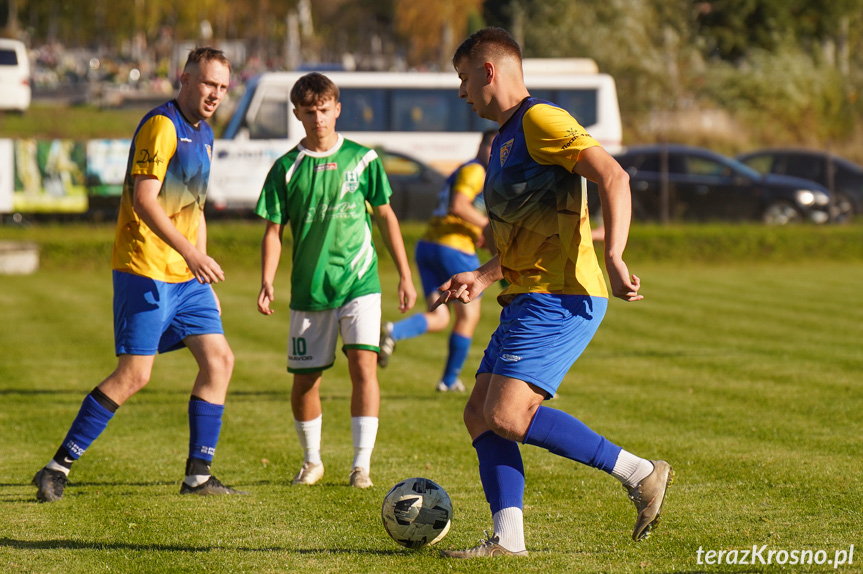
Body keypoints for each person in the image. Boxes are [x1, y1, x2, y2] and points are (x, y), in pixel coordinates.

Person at [435, 28, 673, 558]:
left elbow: (614, 177)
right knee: (479, 413)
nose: (461, 92)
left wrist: (614, 255)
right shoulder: (503, 142)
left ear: (488, 71)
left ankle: (639, 473)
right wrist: (483, 275)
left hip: (562, 295)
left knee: (507, 415)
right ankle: (507, 540)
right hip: (529, 293)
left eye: (463, 78)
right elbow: (531, 234)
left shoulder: (541, 119)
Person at [33, 47, 243, 502]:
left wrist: (200, 266)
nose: (216, 95)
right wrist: (191, 253)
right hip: (144, 267)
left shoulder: (205, 133)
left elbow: (195, 207)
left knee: (219, 361)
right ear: (184, 79)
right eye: (209, 84)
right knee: (134, 375)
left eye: (223, 88)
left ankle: (198, 476)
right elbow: (146, 200)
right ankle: (57, 466)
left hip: (186, 277)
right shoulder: (161, 125)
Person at [255, 72, 417, 489]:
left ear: (337, 109)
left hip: (359, 283)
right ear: (297, 114)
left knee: (364, 366)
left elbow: (385, 216)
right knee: (306, 380)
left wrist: (404, 273)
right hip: (310, 290)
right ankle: (313, 461)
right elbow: (273, 230)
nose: (318, 119)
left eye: (324, 110)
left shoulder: (364, 159)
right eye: (309, 112)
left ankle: (361, 465)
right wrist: (267, 279)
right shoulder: (285, 169)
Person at [377, 129, 497, 393]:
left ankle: (392, 332)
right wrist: (488, 228)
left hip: (429, 245)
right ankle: (450, 380)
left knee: (440, 314)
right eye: (491, 145)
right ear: (482, 146)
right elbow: (459, 205)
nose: (495, 152)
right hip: (453, 248)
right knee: (469, 315)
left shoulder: (466, 168)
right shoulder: (477, 170)